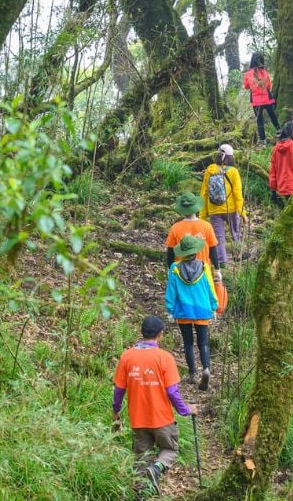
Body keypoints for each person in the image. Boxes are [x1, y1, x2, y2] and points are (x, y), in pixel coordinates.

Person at [112, 315, 196, 495]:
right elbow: (172, 392)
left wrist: (116, 411)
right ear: (160, 334)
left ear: (142, 333)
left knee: (142, 458)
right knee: (169, 449)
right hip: (162, 419)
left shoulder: (127, 356)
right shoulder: (165, 358)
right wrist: (185, 410)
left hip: (138, 420)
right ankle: (157, 469)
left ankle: (141, 494)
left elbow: (119, 389)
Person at [165, 235, 220, 391]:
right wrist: (214, 306)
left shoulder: (175, 268)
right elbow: (210, 287)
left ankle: (192, 373)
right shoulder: (204, 266)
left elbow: (171, 291)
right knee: (203, 343)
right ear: (196, 251)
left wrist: (170, 310)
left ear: (181, 252)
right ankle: (206, 368)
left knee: (188, 343)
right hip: (202, 309)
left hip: (183, 311)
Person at [199, 144, 247, 268]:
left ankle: (222, 262)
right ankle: (238, 255)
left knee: (219, 237)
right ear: (231, 157)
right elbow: (238, 193)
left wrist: (202, 215)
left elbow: (204, 192)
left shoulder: (210, 169)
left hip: (214, 209)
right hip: (231, 209)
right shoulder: (233, 171)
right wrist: (242, 213)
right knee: (235, 232)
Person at [165, 192, 220, 272]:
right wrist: (217, 269)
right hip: (203, 272)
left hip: (181, 273)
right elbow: (213, 250)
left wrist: (171, 270)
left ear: (182, 209)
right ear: (196, 207)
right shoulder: (207, 226)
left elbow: (170, 253)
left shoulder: (175, 228)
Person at [243, 52, 280, 144]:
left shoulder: (247, 74)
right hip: (267, 99)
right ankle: (280, 132)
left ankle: (263, 141)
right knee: (273, 116)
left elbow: (246, 86)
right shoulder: (265, 73)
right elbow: (269, 86)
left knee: (259, 120)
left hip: (256, 101)